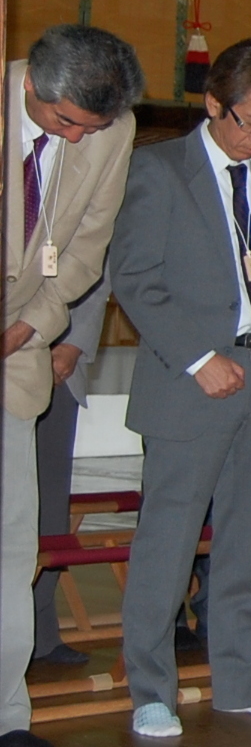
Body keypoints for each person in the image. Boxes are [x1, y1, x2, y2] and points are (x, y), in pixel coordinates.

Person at [110, 36, 251, 738]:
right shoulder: (159, 169)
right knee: (167, 542)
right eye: (250, 121)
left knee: (249, 538)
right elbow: (135, 279)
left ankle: (242, 681)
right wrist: (201, 358)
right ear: (212, 103)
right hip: (188, 380)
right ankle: (151, 690)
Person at [0, 25, 141, 747]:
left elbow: (89, 244)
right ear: (32, 87)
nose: (82, 142)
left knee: (12, 546)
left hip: (17, 354)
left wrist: (34, 326)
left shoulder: (110, 131)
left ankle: (5, 712)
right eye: (66, 126)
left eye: (96, 128)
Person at [30, 279, 110, 668]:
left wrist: (74, 344)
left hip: (55, 361)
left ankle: (41, 633)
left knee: (48, 505)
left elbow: (96, 273)